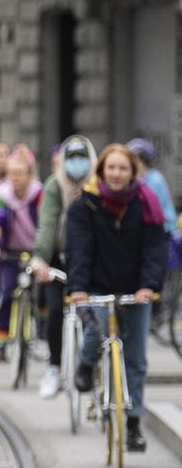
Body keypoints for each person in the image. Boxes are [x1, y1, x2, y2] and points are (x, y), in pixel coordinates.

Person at [67, 143, 169, 452]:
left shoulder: (146, 203)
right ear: (101, 170)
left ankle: (134, 422)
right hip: (97, 284)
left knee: (136, 358)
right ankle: (86, 363)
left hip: (136, 289)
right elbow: (79, 250)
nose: (116, 174)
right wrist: (78, 287)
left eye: (123, 168)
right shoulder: (85, 205)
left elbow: (155, 249)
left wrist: (148, 286)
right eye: (111, 167)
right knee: (95, 333)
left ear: (132, 172)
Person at [30, 135, 96, 399]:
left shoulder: (99, 184)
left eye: (82, 158)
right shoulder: (55, 185)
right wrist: (40, 258)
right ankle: (54, 367)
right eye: (72, 158)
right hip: (60, 257)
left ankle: (96, 367)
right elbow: (47, 224)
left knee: (97, 314)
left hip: (92, 260)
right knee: (55, 310)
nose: (77, 164)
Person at [0, 145, 43, 361]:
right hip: (10, 251)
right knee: (7, 293)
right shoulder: (2, 194)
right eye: (11, 174)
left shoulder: (39, 193)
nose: (15, 178)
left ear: (29, 174)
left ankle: (39, 329)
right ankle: (2, 339)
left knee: (42, 293)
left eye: (20, 173)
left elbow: (46, 222)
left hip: (35, 249)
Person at [126, 139, 178, 237]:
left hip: (162, 231)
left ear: (141, 161)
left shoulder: (155, 178)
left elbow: (157, 210)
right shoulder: (134, 179)